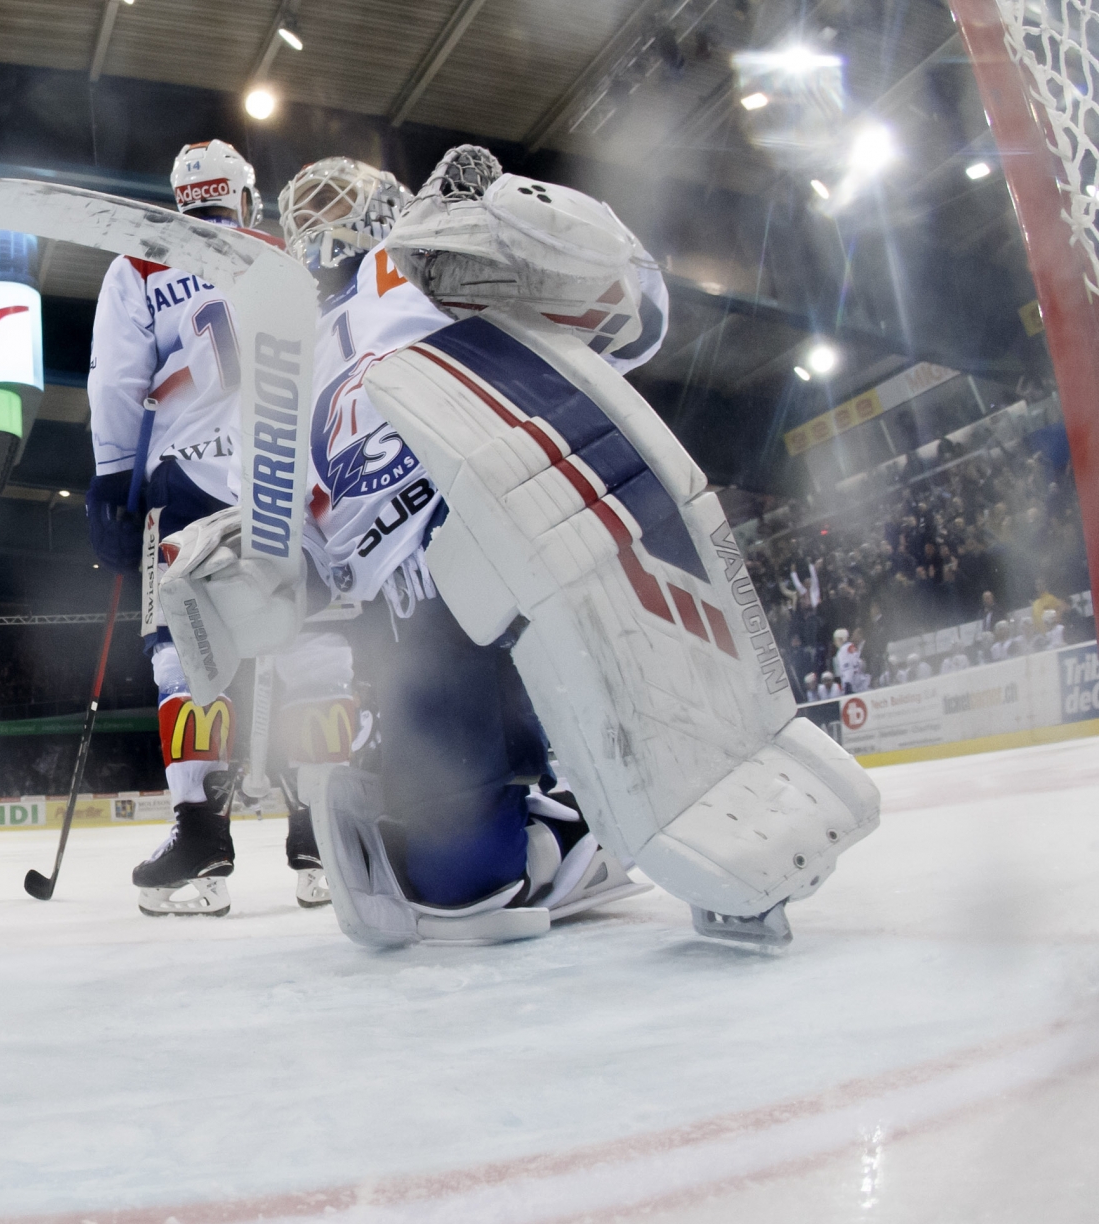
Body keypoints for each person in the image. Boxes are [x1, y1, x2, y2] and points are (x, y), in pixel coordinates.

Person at [158, 160, 878, 948]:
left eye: (339, 202)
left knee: (484, 863)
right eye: (313, 209)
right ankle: (552, 829)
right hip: (410, 615)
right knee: (466, 881)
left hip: (507, 537)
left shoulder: (418, 265)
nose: (325, 221)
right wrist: (240, 568)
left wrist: (533, 233)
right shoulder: (279, 362)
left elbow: (634, 315)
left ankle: (581, 818)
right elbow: (289, 552)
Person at [84, 139, 273, 918]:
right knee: (305, 640)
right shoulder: (275, 253)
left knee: (182, 651)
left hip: (184, 477)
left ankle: (201, 838)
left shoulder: (142, 263)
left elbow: (117, 380)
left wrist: (107, 481)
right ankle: (322, 844)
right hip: (276, 475)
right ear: (244, 197)